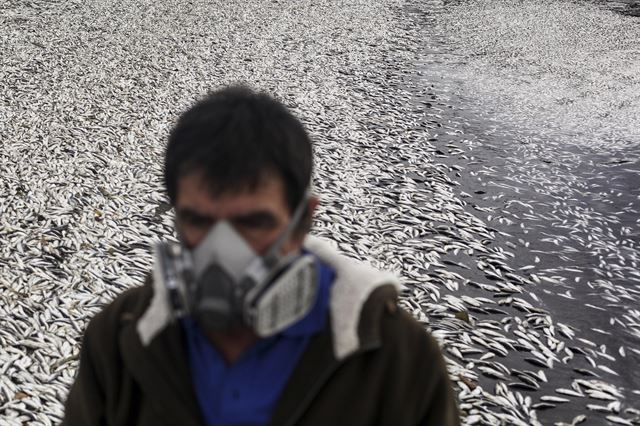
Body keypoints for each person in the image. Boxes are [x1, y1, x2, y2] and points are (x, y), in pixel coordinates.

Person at [62, 85, 460, 426]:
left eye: (252, 223)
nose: (222, 251)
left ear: (303, 219)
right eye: (198, 221)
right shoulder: (119, 338)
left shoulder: (399, 357)